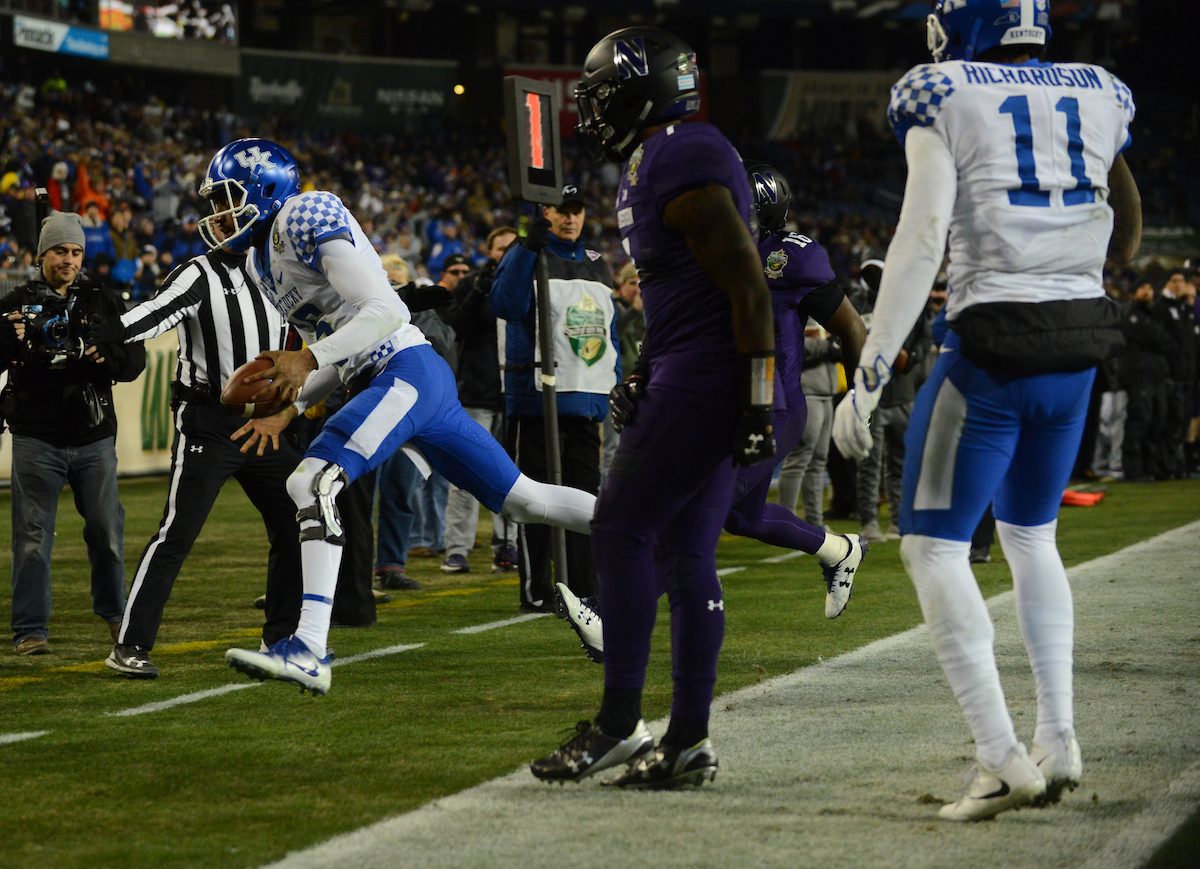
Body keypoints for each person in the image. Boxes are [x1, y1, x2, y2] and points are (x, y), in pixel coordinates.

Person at [833, 0, 1141, 821]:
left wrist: (868, 371)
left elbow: (922, 232)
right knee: (1031, 535)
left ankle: (1001, 754)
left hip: (995, 347)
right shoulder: (1104, 89)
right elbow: (1129, 222)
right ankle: (1060, 735)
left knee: (931, 547)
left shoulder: (945, 89)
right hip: (1078, 344)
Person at [202, 138, 599, 696]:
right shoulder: (258, 258)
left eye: (229, 196)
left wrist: (307, 358)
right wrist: (290, 405)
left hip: (404, 370)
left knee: (310, 481)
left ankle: (310, 647)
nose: (220, 213)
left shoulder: (303, 213)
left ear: (268, 187)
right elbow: (341, 353)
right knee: (525, 500)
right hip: (404, 377)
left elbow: (387, 310)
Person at [530, 27, 776, 789]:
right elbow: (695, 289)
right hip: (693, 367)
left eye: (602, 96)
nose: (593, 113)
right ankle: (690, 740)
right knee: (683, 553)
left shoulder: (679, 155)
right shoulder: (668, 154)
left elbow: (747, 286)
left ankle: (617, 723)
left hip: (703, 376)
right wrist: (646, 362)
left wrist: (757, 398)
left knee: (618, 526)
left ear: (643, 91)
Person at [559, 164, 870, 666]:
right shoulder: (701, 254)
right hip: (715, 406)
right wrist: (639, 378)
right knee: (740, 517)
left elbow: (851, 328)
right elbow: (669, 329)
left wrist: (860, 398)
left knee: (690, 512)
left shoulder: (789, 258)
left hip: (773, 410)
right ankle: (838, 550)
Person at [87, 246, 301, 678]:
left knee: (297, 521)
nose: (221, 216)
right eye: (217, 204)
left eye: (230, 203)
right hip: (208, 421)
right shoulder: (198, 273)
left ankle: (280, 638)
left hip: (264, 424)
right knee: (177, 533)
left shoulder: (282, 272)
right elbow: (154, 312)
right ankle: (130, 643)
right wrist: (103, 331)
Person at [0, 212, 147, 656]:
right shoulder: (14, 302)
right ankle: (30, 629)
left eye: (76, 251)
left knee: (106, 531)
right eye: (60, 251)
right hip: (34, 434)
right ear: (42, 253)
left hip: (93, 434)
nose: (68, 260)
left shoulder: (105, 301)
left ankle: (116, 613)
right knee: (30, 538)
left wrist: (107, 356)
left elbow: (136, 364)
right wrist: (7, 340)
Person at [490, 184, 620, 611]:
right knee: (539, 501)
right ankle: (537, 589)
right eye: (561, 211)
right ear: (543, 212)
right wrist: (526, 249)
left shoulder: (599, 263)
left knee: (586, 500)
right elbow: (505, 305)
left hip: (588, 401)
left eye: (576, 211)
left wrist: (613, 381)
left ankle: (585, 588)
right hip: (538, 401)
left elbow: (608, 330)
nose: (569, 218)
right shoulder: (526, 253)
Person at [437, 227, 520, 574]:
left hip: (514, 396)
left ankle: (508, 545)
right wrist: (481, 289)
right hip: (477, 394)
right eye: (500, 248)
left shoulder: (526, 282)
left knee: (514, 478)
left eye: (512, 247)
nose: (506, 253)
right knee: (466, 477)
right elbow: (458, 324)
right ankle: (457, 549)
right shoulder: (472, 284)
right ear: (489, 252)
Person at [600, 262, 644, 483]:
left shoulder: (649, 311)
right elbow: (610, 333)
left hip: (642, 390)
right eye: (632, 283)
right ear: (621, 286)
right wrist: (635, 311)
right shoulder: (613, 306)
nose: (638, 288)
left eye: (640, 282)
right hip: (615, 388)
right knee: (614, 449)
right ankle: (605, 503)